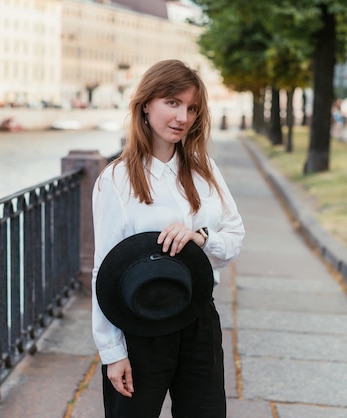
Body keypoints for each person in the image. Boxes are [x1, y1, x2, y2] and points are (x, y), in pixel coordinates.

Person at [91, 59, 245, 418]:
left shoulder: (203, 169)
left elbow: (234, 235)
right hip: (141, 324)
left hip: (199, 319)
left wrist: (201, 239)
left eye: (191, 108)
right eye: (172, 103)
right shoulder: (116, 180)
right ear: (146, 104)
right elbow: (104, 269)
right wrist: (113, 353)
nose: (182, 117)